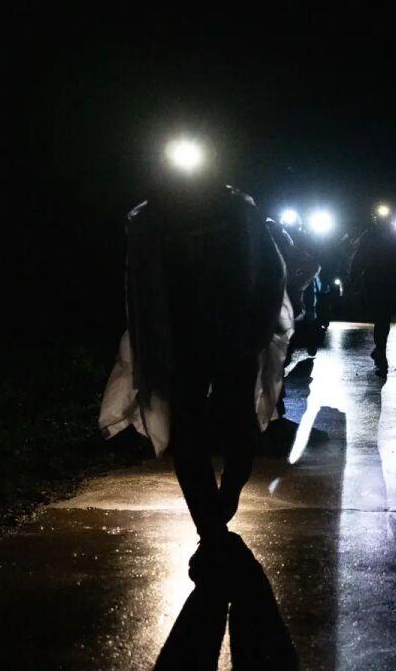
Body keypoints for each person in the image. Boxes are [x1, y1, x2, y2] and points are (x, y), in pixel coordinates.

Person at [99, 180, 293, 543]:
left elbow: (270, 273)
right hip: (181, 342)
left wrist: (257, 329)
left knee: (237, 424)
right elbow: (135, 283)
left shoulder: (240, 212)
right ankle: (209, 523)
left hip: (235, 338)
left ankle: (228, 494)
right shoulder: (152, 219)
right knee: (186, 431)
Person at [349, 213, 396, 375]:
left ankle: (380, 351)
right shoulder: (369, 236)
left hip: (389, 282)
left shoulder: (395, 237)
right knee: (382, 317)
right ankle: (381, 352)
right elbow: (358, 259)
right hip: (374, 282)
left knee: (383, 318)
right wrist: (353, 279)